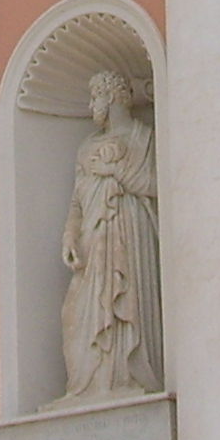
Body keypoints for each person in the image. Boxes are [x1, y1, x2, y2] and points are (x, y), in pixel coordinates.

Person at [57, 70, 161, 403]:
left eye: (95, 98)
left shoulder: (144, 138)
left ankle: (127, 376)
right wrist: (70, 235)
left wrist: (116, 171)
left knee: (126, 299)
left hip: (130, 231)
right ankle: (89, 383)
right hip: (92, 239)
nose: (91, 106)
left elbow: (156, 186)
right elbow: (76, 199)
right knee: (78, 310)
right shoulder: (86, 146)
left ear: (113, 97)